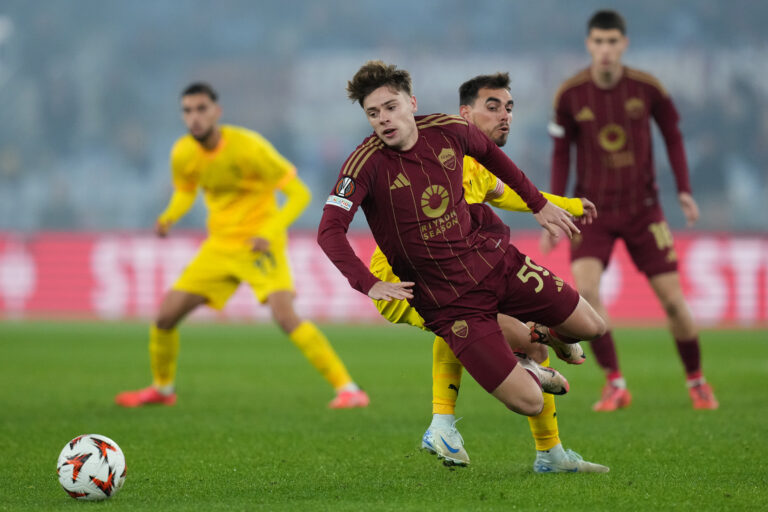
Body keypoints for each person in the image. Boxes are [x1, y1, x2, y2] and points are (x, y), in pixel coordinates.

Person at [318, 61, 607, 460]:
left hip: (492, 266)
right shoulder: (364, 164)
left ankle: (538, 434)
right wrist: (367, 283)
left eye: (390, 107)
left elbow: (501, 174)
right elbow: (329, 229)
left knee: (591, 327)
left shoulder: (450, 133)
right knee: (526, 382)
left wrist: (545, 205)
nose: (383, 119)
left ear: (411, 103)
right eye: (373, 113)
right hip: (432, 292)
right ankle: (466, 420)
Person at [115, 82, 369, 409]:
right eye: (188, 111)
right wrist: (169, 216)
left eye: (201, 109)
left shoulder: (249, 147)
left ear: (217, 112)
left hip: (260, 245)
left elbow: (300, 194)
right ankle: (162, 390)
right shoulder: (183, 152)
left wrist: (269, 230)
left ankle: (349, 389)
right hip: (219, 246)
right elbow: (186, 189)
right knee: (165, 317)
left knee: (285, 316)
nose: (195, 117)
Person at [542, 10, 718, 411]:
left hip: (644, 211)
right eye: (598, 42)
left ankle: (697, 381)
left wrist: (685, 191)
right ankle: (615, 383)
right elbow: (560, 155)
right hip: (592, 212)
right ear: (589, 45)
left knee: (673, 301)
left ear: (624, 44)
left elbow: (673, 138)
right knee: (586, 292)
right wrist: (551, 206)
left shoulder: (648, 88)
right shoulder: (570, 95)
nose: (605, 50)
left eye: (612, 42)